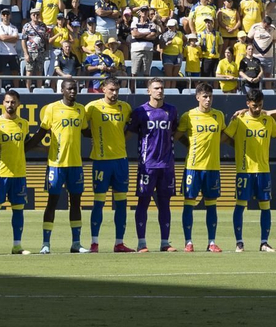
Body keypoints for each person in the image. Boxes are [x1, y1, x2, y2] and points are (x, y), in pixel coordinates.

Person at [226, 88, 276, 252]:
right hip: (244, 170)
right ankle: (239, 242)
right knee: (240, 205)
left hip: (263, 170)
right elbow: (226, 137)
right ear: (247, 103)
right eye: (254, 105)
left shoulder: (268, 120)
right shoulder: (239, 119)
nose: (257, 109)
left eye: (260, 105)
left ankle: (264, 242)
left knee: (265, 206)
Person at [128, 77, 181, 252]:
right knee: (143, 202)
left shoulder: (171, 111)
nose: (160, 91)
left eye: (161, 88)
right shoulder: (140, 112)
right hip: (147, 165)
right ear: (149, 91)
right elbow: (130, 132)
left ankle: (165, 242)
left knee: (165, 204)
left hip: (166, 165)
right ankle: (141, 242)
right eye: (156, 88)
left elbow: (174, 131)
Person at [38, 77, 87, 254]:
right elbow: (41, 132)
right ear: (62, 91)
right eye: (69, 89)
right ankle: (46, 243)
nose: (73, 91)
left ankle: (76, 243)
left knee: (76, 203)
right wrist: (25, 148)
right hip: (56, 164)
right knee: (52, 203)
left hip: (76, 164)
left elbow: (86, 131)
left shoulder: (81, 110)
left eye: (75, 88)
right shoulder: (52, 108)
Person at [176, 80, 226, 252]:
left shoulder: (218, 115)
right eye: (205, 96)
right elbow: (177, 135)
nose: (208, 100)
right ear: (197, 97)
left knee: (211, 205)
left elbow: (224, 135)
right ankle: (188, 242)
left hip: (213, 167)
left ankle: (211, 242)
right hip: (193, 167)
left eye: (210, 97)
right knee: (189, 203)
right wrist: (189, 144)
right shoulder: (188, 116)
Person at [85, 77, 134, 252]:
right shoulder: (92, 107)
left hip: (121, 160)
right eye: (111, 89)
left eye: (117, 90)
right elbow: (83, 127)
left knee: (121, 203)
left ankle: (119, 243)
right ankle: (94, 243)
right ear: (103, 88)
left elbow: (131, 128)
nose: (114, 93)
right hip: (101, 161)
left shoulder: (125, 107)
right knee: (99, 202)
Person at [0, 89, 34, 255]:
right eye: (7, 101)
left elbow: (25, 145)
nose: (10, 105)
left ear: (18, 104)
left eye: (13, 102)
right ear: (3, 103)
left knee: (18, 210)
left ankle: (17, 245)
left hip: (19, 174)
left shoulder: (24, 124)